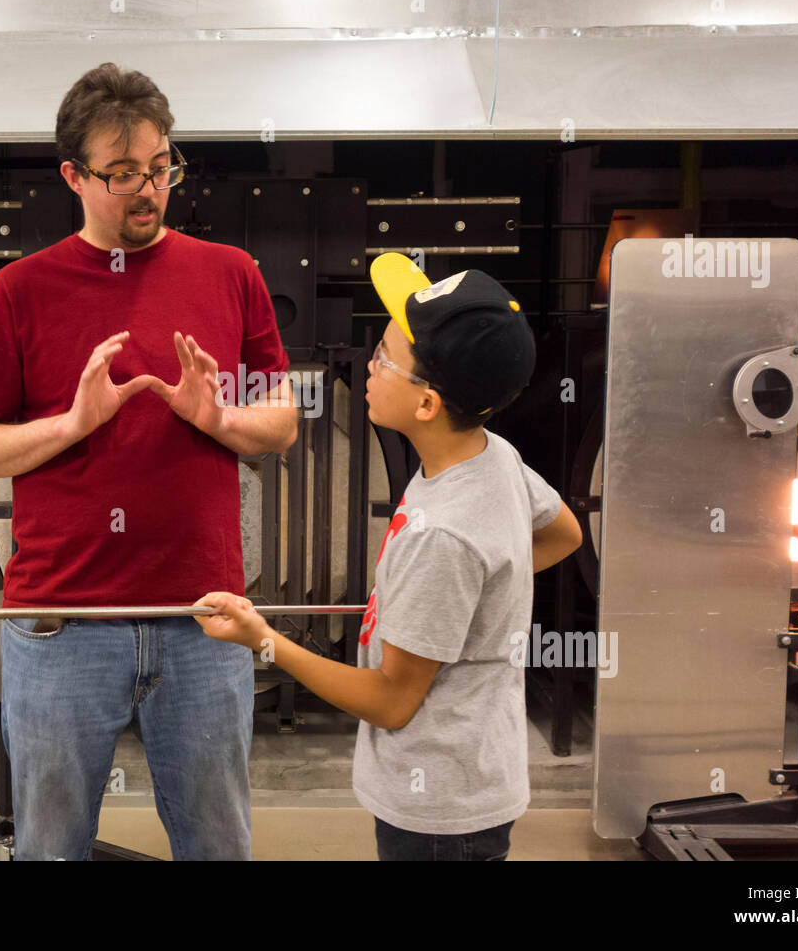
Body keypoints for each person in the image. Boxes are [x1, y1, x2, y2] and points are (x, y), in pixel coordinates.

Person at [0, 62, 297, 860]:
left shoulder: (231, 273)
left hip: (204, 622)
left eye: (162, 167)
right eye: (124, 173)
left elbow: (282, 425)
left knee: (218, 845)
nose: (148, 190)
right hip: (63, 627)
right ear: (74, 174)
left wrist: (220, 417)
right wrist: (71, 423)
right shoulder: (20, 290)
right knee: (51, 848)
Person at [196, 254, 584, 861]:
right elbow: (565, 535)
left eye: (381, 358)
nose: (368, 368)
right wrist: (460, 606)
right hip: (478, 780)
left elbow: (391, 701)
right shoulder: (495, 456)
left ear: (427, 404)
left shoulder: (443, 536)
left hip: (437, 809)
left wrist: (262, 641)